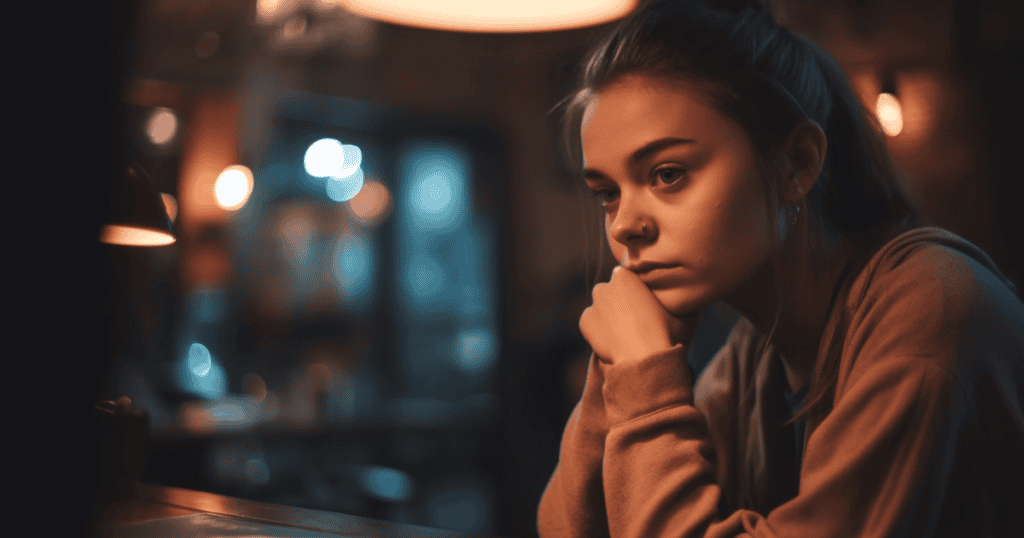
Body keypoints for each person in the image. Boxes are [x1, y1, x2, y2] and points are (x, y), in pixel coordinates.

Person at [537, 1, 1024, 536]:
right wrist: (618, 366)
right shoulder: (753, 358)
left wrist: (643, 382)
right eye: (607, 193)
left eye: (668, 174)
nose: (625, 225)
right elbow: (572, 528)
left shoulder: (930, 308)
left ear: (795, 164)